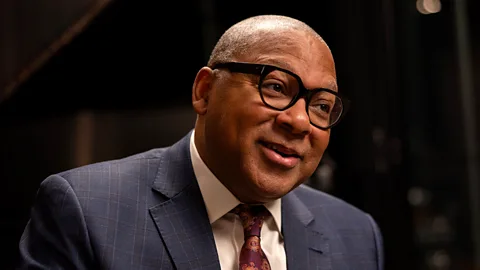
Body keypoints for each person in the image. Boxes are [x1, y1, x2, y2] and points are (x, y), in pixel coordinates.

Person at [17, 14, 384, 270]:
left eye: (321, 106)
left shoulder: (355, 234)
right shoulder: (86, 211)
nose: (300, 121)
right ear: (205, 91)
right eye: (275, 87)